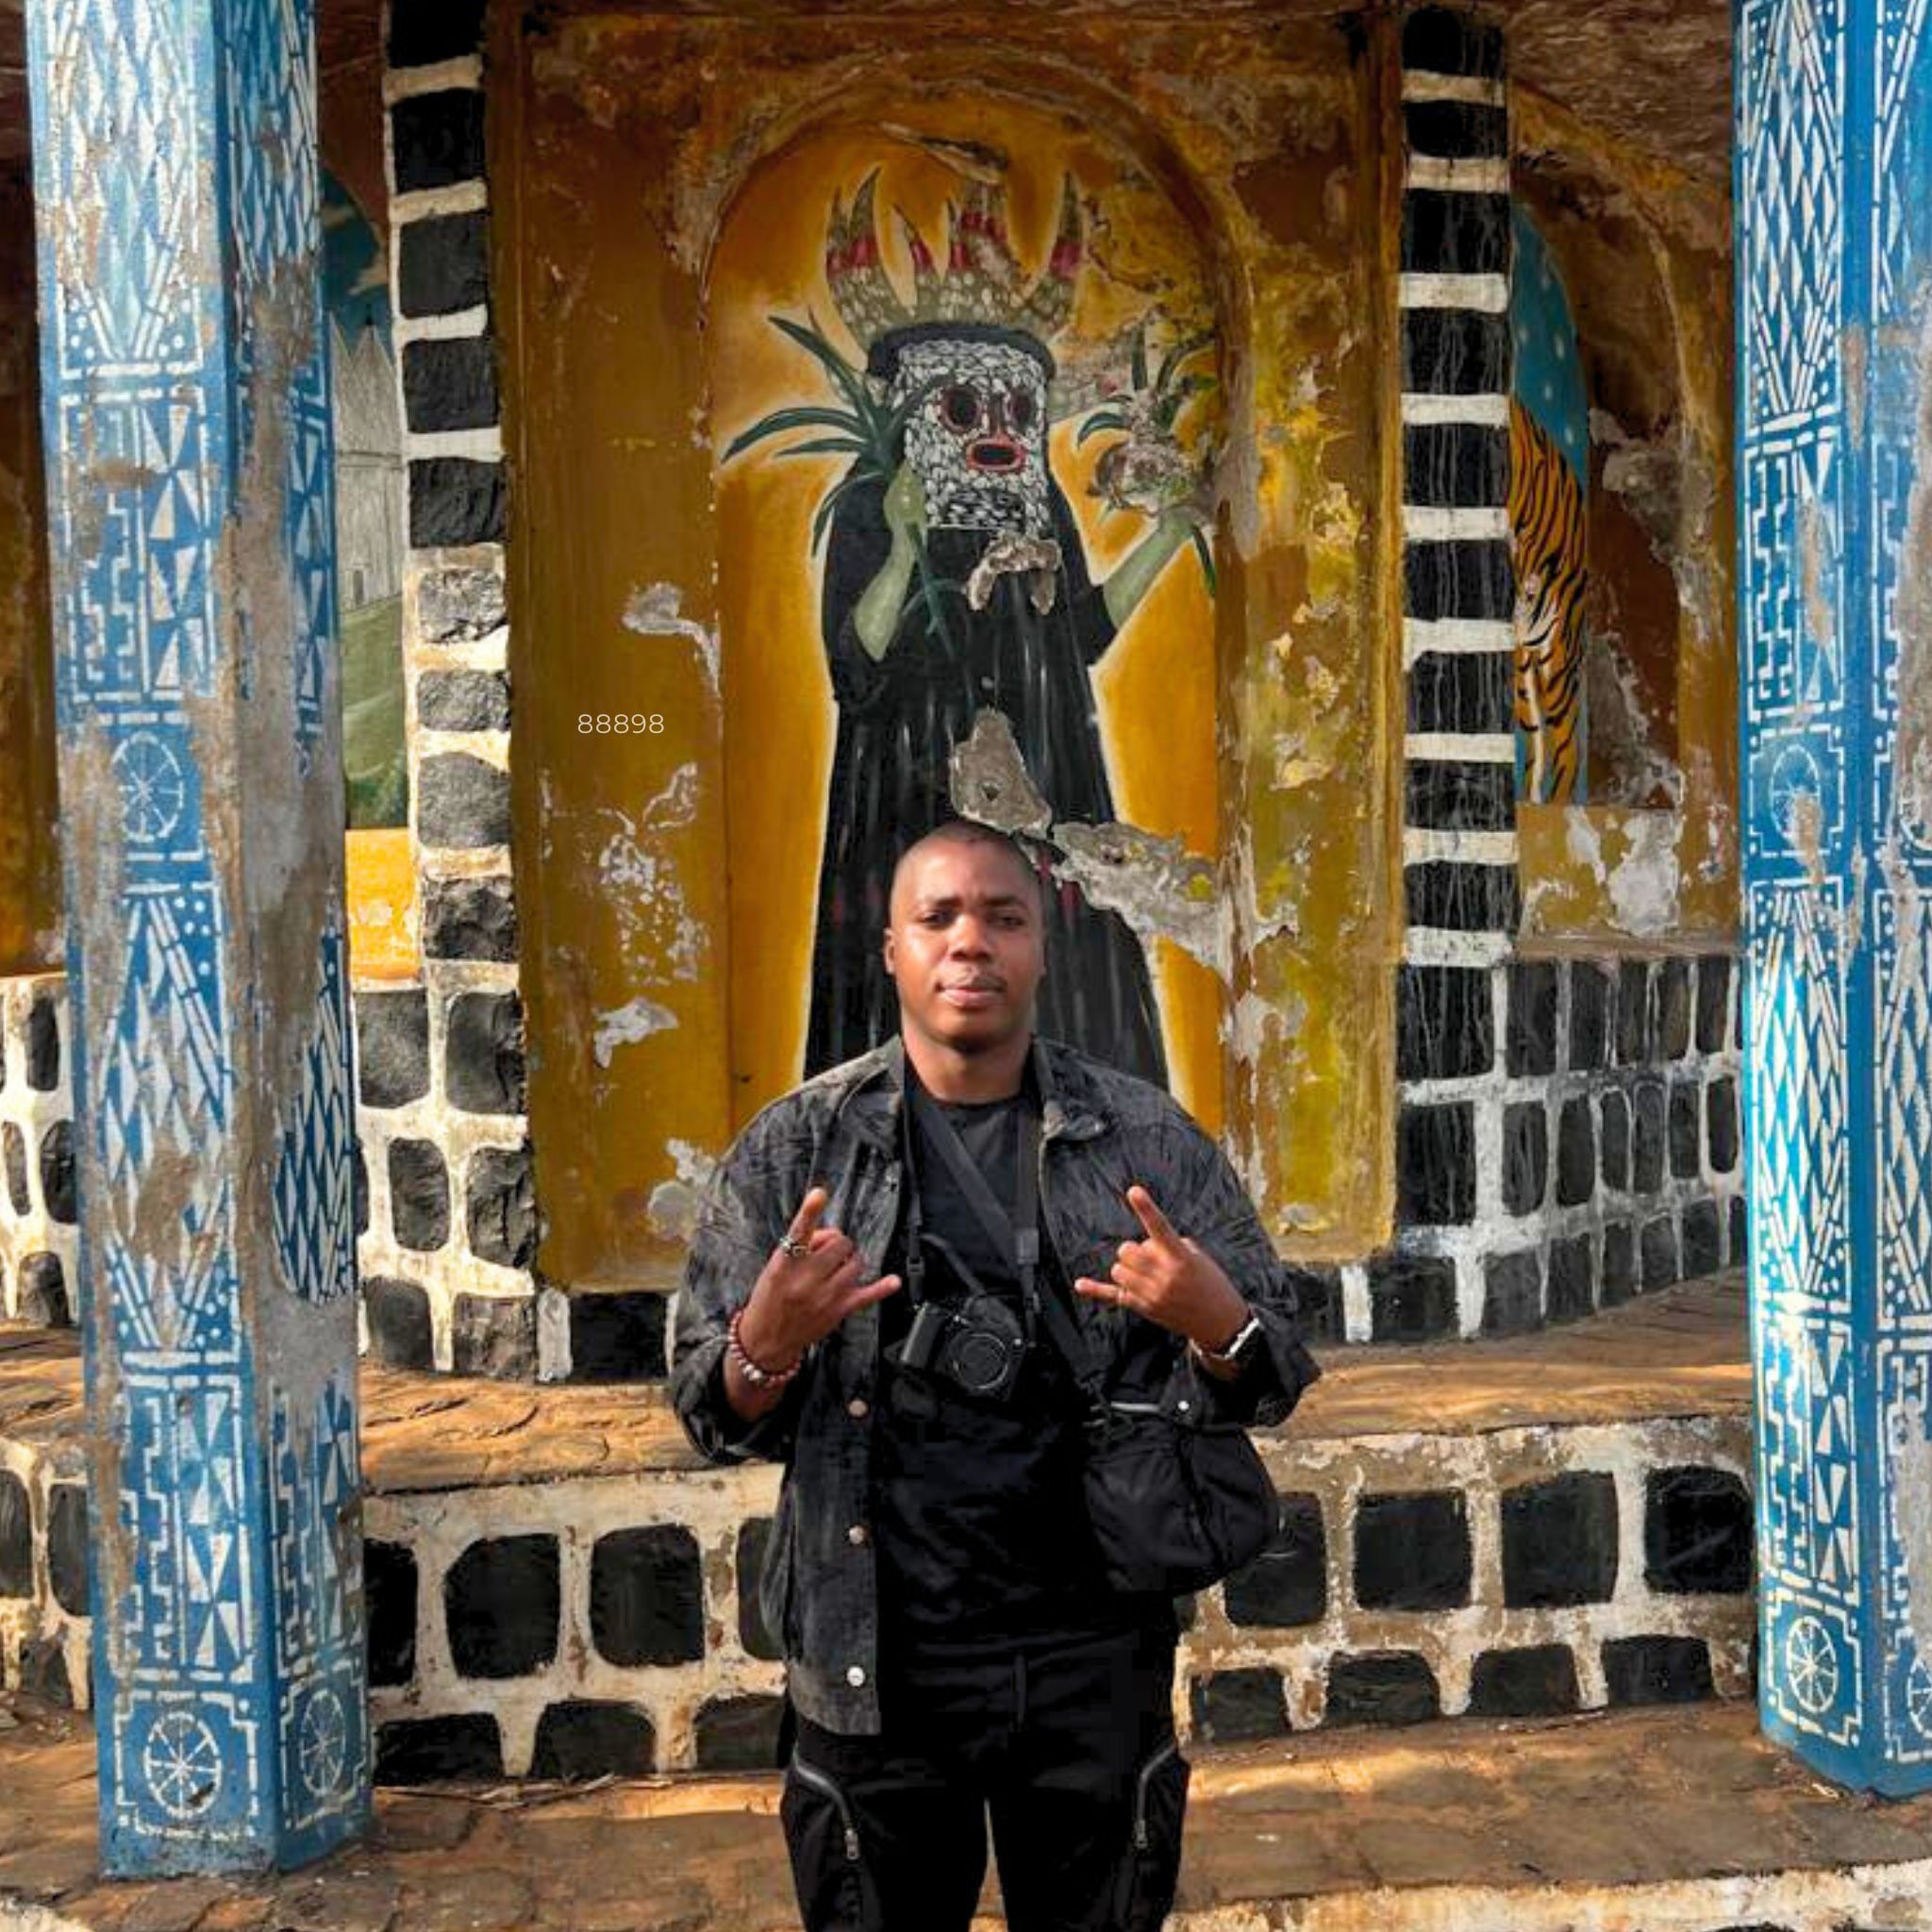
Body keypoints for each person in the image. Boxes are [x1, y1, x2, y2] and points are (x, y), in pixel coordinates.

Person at [672, 821, 1321, 1931]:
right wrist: (763, 1343)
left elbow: (1272, 1373)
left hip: (1090, 1656)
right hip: (874, 1662)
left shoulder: (1140, 1140)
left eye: (1001, 916)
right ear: (889, 949)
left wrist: (1213, 1319)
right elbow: (706, 1410)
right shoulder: (797, 1151)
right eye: (938, 917)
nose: (969, 943)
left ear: (1042, 946)